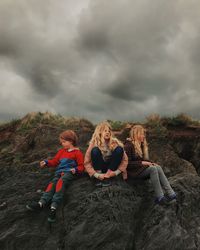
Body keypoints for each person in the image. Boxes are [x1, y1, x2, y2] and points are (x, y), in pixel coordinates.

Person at [26, 130, 84, 222]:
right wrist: (46, 162)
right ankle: (41, 203)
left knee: (60, 183)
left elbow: (81, 166)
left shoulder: (77, 153)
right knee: (51, 185)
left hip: (69, 173)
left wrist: (75, 169)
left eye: (64, 142)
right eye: (61, 142)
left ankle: (53, 208)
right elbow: (55, 161)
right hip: (59, 173)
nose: (62, 144)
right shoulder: (61, 151)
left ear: (71, 141)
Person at [124, 125, 177, 205]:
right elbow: (127, 164)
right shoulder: (128, 146)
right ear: (136, 134)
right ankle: (160, 197)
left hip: (138, 170)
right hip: (132, 173)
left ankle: (171, 194)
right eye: (142, 134)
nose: (143, 136)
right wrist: (142, 163)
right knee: (153, 169)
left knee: (157, 167)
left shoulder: (138, 145)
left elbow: (140, 160)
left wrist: (151, 162)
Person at [84, 121, 128, 187]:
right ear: (99, 132)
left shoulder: (115, 142)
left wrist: (116, 173)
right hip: (99, 168)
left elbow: (125, 160)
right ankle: (99, 178)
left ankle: (108, 176)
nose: (107, 132)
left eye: (109, 131)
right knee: (95, 150)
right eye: (105, 131)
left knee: (119, 149)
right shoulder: (94, 143)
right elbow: (86, 162)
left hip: (111, 169)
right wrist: (97, 175)